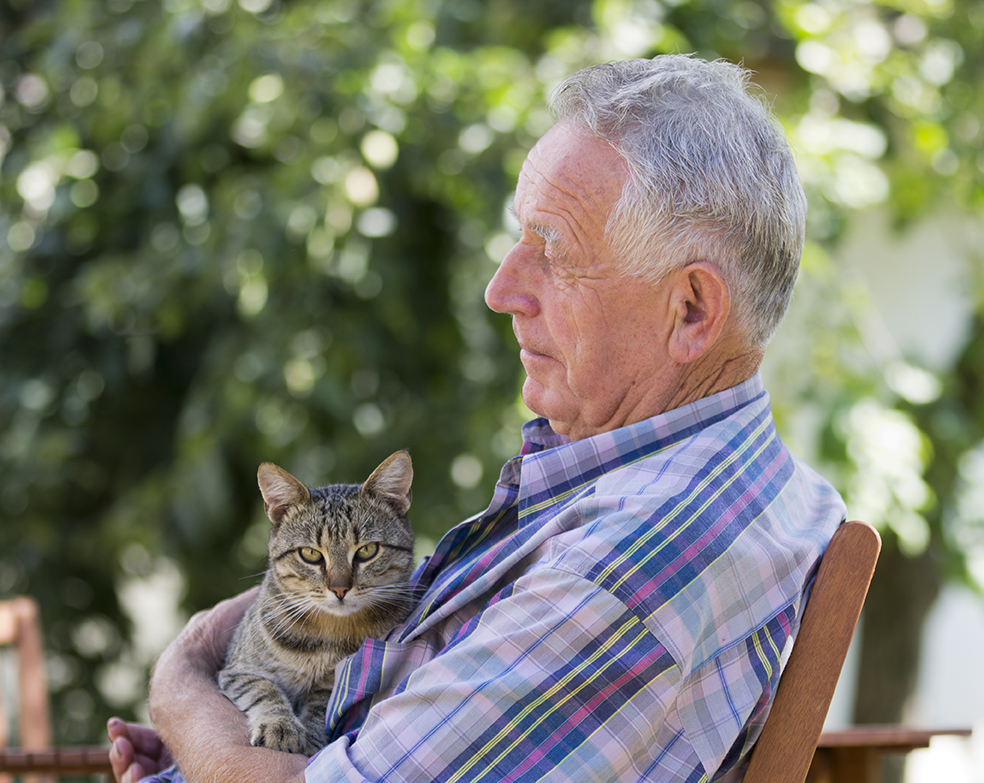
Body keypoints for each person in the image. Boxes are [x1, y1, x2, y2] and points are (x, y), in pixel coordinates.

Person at [107, 54, 846, 783]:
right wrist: (211, 745)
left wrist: (184, 686)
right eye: (517, 237)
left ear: (689, 310)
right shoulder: (766, 484)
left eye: (553, 252)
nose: (501, 289)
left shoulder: (621, 566)